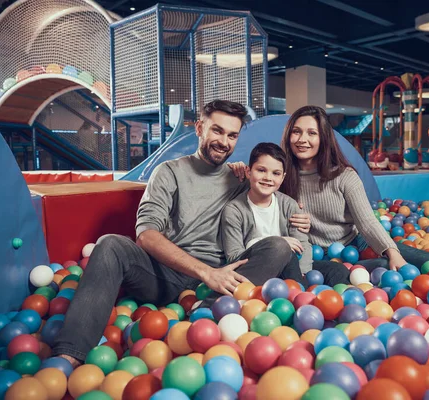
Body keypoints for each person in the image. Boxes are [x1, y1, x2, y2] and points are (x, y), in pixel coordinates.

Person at [52, 100, 311, 366]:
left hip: (222, 279)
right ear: (199, 128)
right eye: (217, 131)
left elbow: (271, 191)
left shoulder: (240, 177)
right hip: (167, 274)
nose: (224, 141)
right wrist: (205, 273)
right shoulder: (169, 172)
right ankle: (70, 355)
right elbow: (146, 234)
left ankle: (201, 317)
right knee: (109, 244)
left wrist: (298, 217)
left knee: (278, 247)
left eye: (232, 135)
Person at [279, 105, 429, 272]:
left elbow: (367, 222)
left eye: (312, 133)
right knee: (377, 269)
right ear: (288, 135)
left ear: (323, 139)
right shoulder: (280, 177)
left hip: (354, 244)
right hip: (314, 255)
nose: (302, 139)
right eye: (296, 132)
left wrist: (392, 252)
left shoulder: (344, 176)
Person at [220, 142, 350, 286]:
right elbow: (234, 257)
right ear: (248, 172)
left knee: (338, 270)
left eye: (276, 173)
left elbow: (302, 244)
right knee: (284, 250)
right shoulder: (234, 210)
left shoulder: (289, 205)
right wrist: (278, 243)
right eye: (261, 170)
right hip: (258, 270)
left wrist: (303, 273)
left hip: (292, 269)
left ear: (282, 178)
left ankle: (309, 294)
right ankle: (300, 300)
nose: (268, 178)